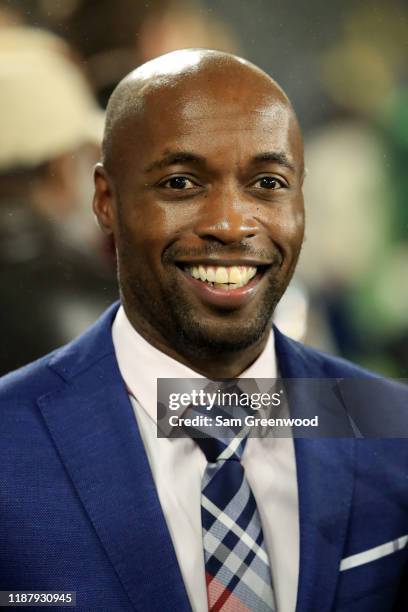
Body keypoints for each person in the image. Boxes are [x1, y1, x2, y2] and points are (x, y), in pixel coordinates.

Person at [0, 49, 407, 612]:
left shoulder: (389, 425)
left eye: (267, 182)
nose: (232, 224)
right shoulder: (10, 439)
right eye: (181, 183)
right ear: (106, 201)